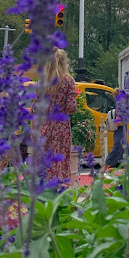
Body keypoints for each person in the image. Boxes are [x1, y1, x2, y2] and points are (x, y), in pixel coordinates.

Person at [39, 48, 77, 181]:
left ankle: (45, 188)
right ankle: (61, 185)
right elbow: (71, 107)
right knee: (61, 159)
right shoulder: (68, 81)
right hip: (61, 127)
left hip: (45, 126)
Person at [104, 89, 127, 172]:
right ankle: (104, 168)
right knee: (116, 151)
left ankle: (125, 169)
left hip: (122, 133)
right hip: (120, 133)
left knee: (126, 152)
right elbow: (117, 122)